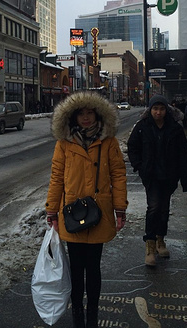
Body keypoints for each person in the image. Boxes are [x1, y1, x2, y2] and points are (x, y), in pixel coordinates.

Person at [45, 91, 128, 328]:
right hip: (71, 213)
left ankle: (92, 314)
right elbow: (57, 177)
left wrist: (120, 208)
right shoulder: (64, 144)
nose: (86, 118)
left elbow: (119, 175)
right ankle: (77, 316)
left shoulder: (108, 142)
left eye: (90, 112)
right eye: (81, 113)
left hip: (99, 213)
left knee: (93, 267)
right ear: (73, 117)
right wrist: (52, 211)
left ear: (97, 114)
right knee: (75, 268)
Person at [127, 94, 187, 266]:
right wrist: (139, 166)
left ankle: (160, 239)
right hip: (151, 175)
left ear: (166, 110)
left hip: (170, 176)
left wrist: (186, 180)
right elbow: (132, 147)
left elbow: (184, 154)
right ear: (150, 110)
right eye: (155, 109)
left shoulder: (175, 129)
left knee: (164, 209)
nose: (158, 112)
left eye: (161, 109)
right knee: (154, 207)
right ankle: (150, 246)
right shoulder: (142, 127)